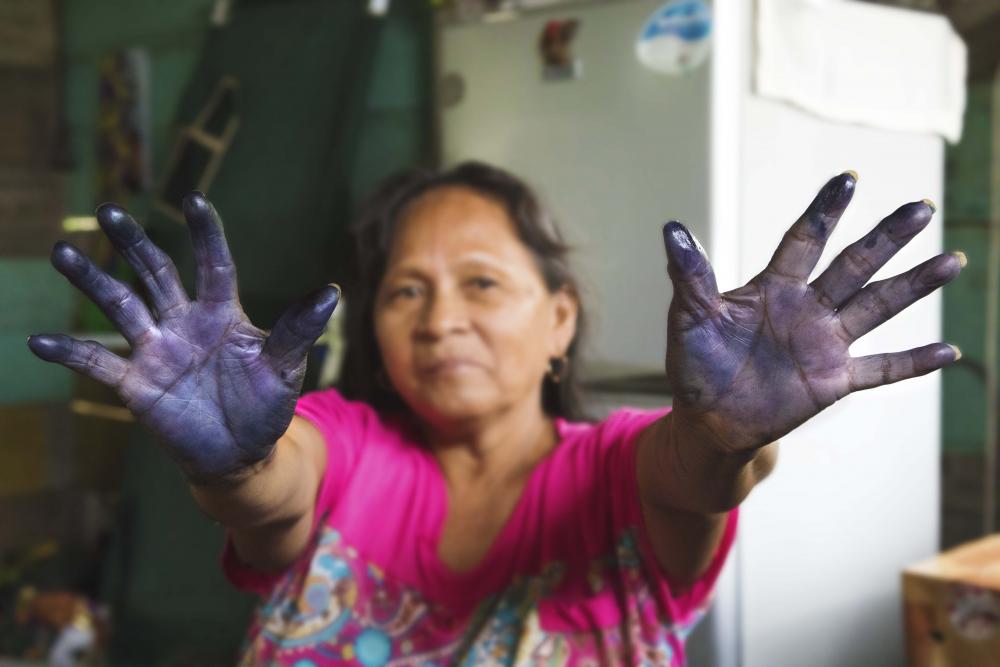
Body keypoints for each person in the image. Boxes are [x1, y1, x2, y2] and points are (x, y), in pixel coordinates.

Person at [27, 162, 963, 666]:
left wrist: (725, 441)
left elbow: (695, 472)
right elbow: (275, 489)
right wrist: (230, 464)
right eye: (404, 293)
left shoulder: (614, 468)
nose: (440, 321)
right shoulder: (346, 443)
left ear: (560, 320)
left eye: (481, 282)